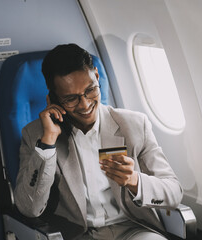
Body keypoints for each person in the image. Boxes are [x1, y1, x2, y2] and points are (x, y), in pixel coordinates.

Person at [14, 43, 183, 240]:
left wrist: (134, 181)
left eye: (90, 90)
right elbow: (29, 208)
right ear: (53, 98)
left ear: (96, 74)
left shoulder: (134, 125)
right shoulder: (36, 135)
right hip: (78, 234)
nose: (85, 104)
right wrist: (48, 143)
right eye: (71, 99)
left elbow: (173, 192)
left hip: (132, 228)